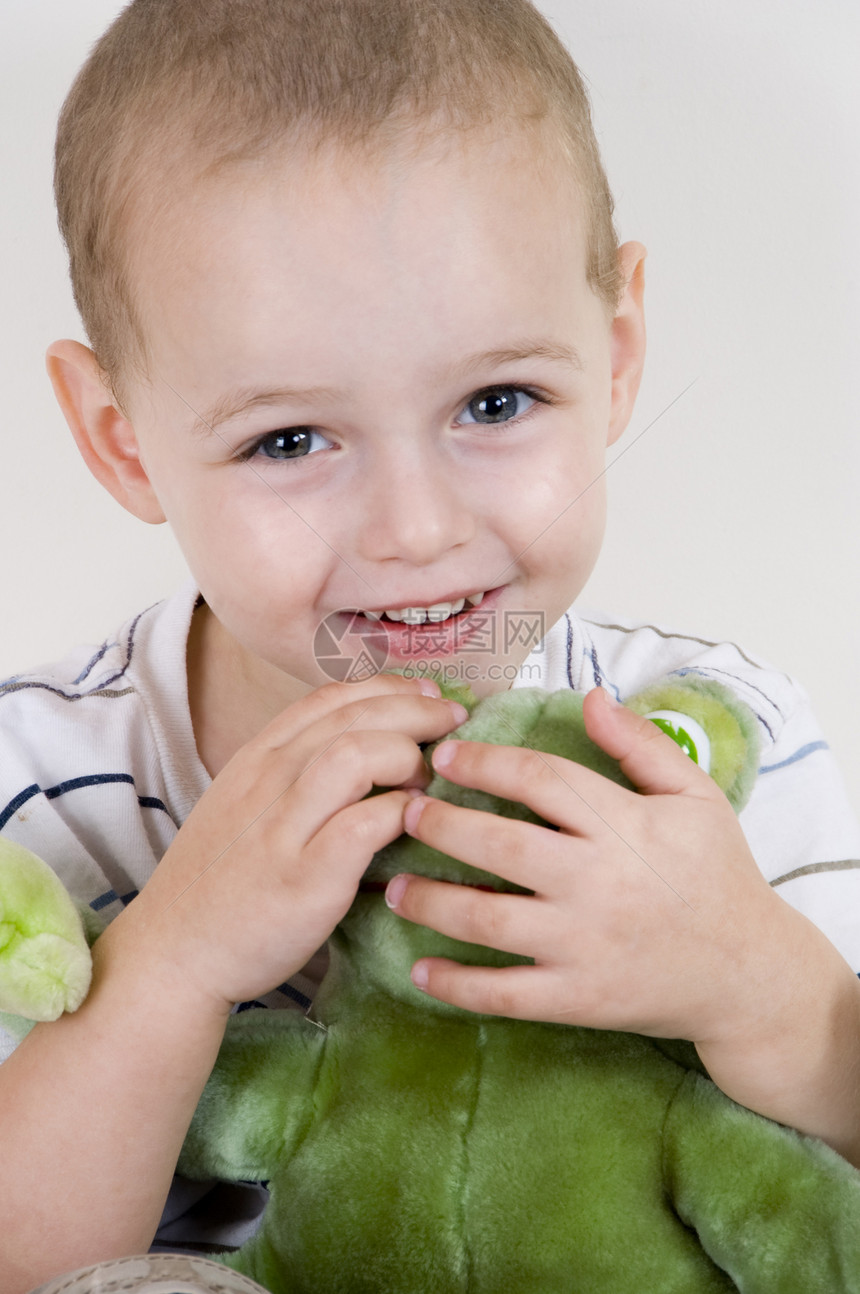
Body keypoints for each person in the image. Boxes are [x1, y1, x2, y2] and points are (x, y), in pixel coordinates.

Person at [3, 1, 860, 1290]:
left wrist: (761, 990)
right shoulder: (44, 788)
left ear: (616, 355)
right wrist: (169, 967)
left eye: (496, 402)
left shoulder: (704, 737)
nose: (416, 531)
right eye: (289, 440)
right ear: (125, 440)